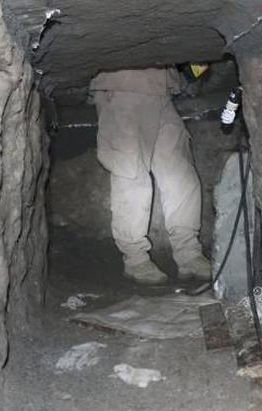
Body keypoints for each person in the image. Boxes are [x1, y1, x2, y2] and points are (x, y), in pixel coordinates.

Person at [89, 66, 211, 284]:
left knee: (180, 175)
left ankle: (189, 255)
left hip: (162, 89)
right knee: (131, 174)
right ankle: (136, 259)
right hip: (121, 85)